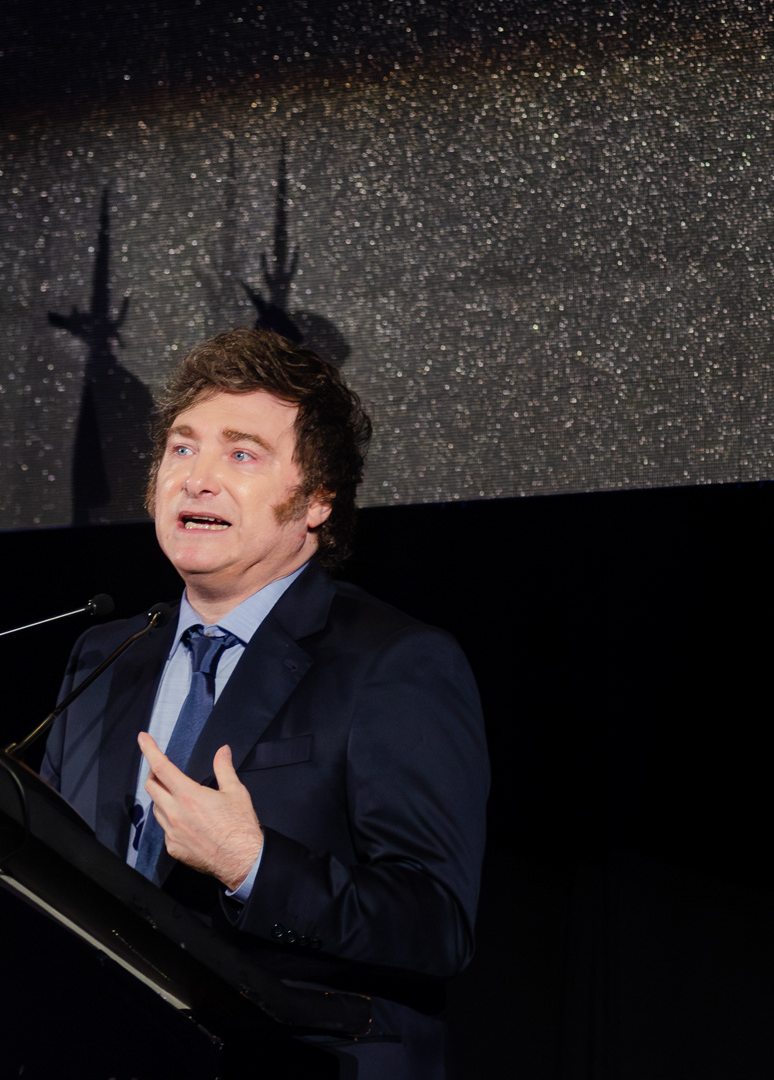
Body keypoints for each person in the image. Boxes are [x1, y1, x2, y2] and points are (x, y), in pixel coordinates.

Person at [39, 328, 488, 1079]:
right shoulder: (104, 656)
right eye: (181, 449)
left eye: (240, 454)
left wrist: (252, 866)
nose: (196, 478)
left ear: (315, 500)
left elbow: (434, 924)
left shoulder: (394, 662)